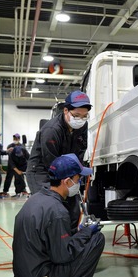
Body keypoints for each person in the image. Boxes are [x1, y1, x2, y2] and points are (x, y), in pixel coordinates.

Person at [13, 153, 105, 277]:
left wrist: (78, 232)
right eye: (78, 179)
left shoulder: (35, 199)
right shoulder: (57, 211)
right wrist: (86, 233)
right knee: (97, 239)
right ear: (67, 181)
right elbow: (63, 256)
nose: (79, 183)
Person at [26, 90, 91, 227]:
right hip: (42, 170)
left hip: (66, 168)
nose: (81, 120)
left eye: (85, 116)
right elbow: (51, 162)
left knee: (72, 209)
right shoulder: (52, 130)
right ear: (66, 111)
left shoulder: (82, 126)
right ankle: (50, 243)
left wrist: (76, 176)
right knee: (50, 207)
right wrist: (67, 182)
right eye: (77, 115)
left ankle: (69, 242)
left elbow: (80, 151)